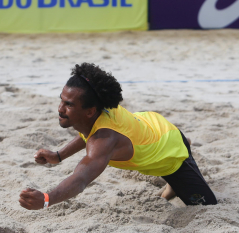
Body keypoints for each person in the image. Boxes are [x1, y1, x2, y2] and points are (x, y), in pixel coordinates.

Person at [19, 63, 217, 210]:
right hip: (151, 128)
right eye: (61, 100)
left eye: (69, 104)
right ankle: (176, 169)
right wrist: (59, 155)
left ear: (90, 111)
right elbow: (87, 134)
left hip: (171, 151)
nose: (60, 109)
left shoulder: (104, 140)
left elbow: (81, 179)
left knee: (207, 206)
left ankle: (180, 163)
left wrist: (47, 199)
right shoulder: (93, 115)